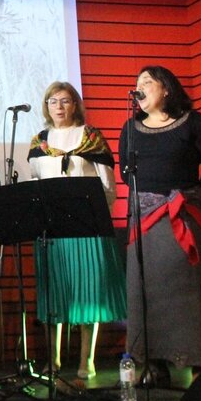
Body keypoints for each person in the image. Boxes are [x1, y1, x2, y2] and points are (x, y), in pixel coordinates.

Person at [119, 65, 201, 384]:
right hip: (145, 219)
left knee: (186, 290)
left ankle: (197, 365)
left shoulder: (194, 122)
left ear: (166, 89)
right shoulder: (131, 127)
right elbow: (126, 172)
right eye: (137, 84)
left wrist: (194, 201)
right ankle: (153, 365)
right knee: (145, 290)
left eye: (147, 83)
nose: (140, 88)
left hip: (182, 217)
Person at [26, 82, 126, 379]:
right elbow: (36, 182)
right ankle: (54, 360)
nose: (58, 106)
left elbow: (108, 186)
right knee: (55, 292)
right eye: (52, 101)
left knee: (89, 292)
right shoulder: (39, 141)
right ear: (46, 106)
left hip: (88, 228)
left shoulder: (92, 137)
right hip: (52, 229)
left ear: (75, 105)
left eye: (65, 100)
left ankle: (87, 360)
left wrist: (98, 219)